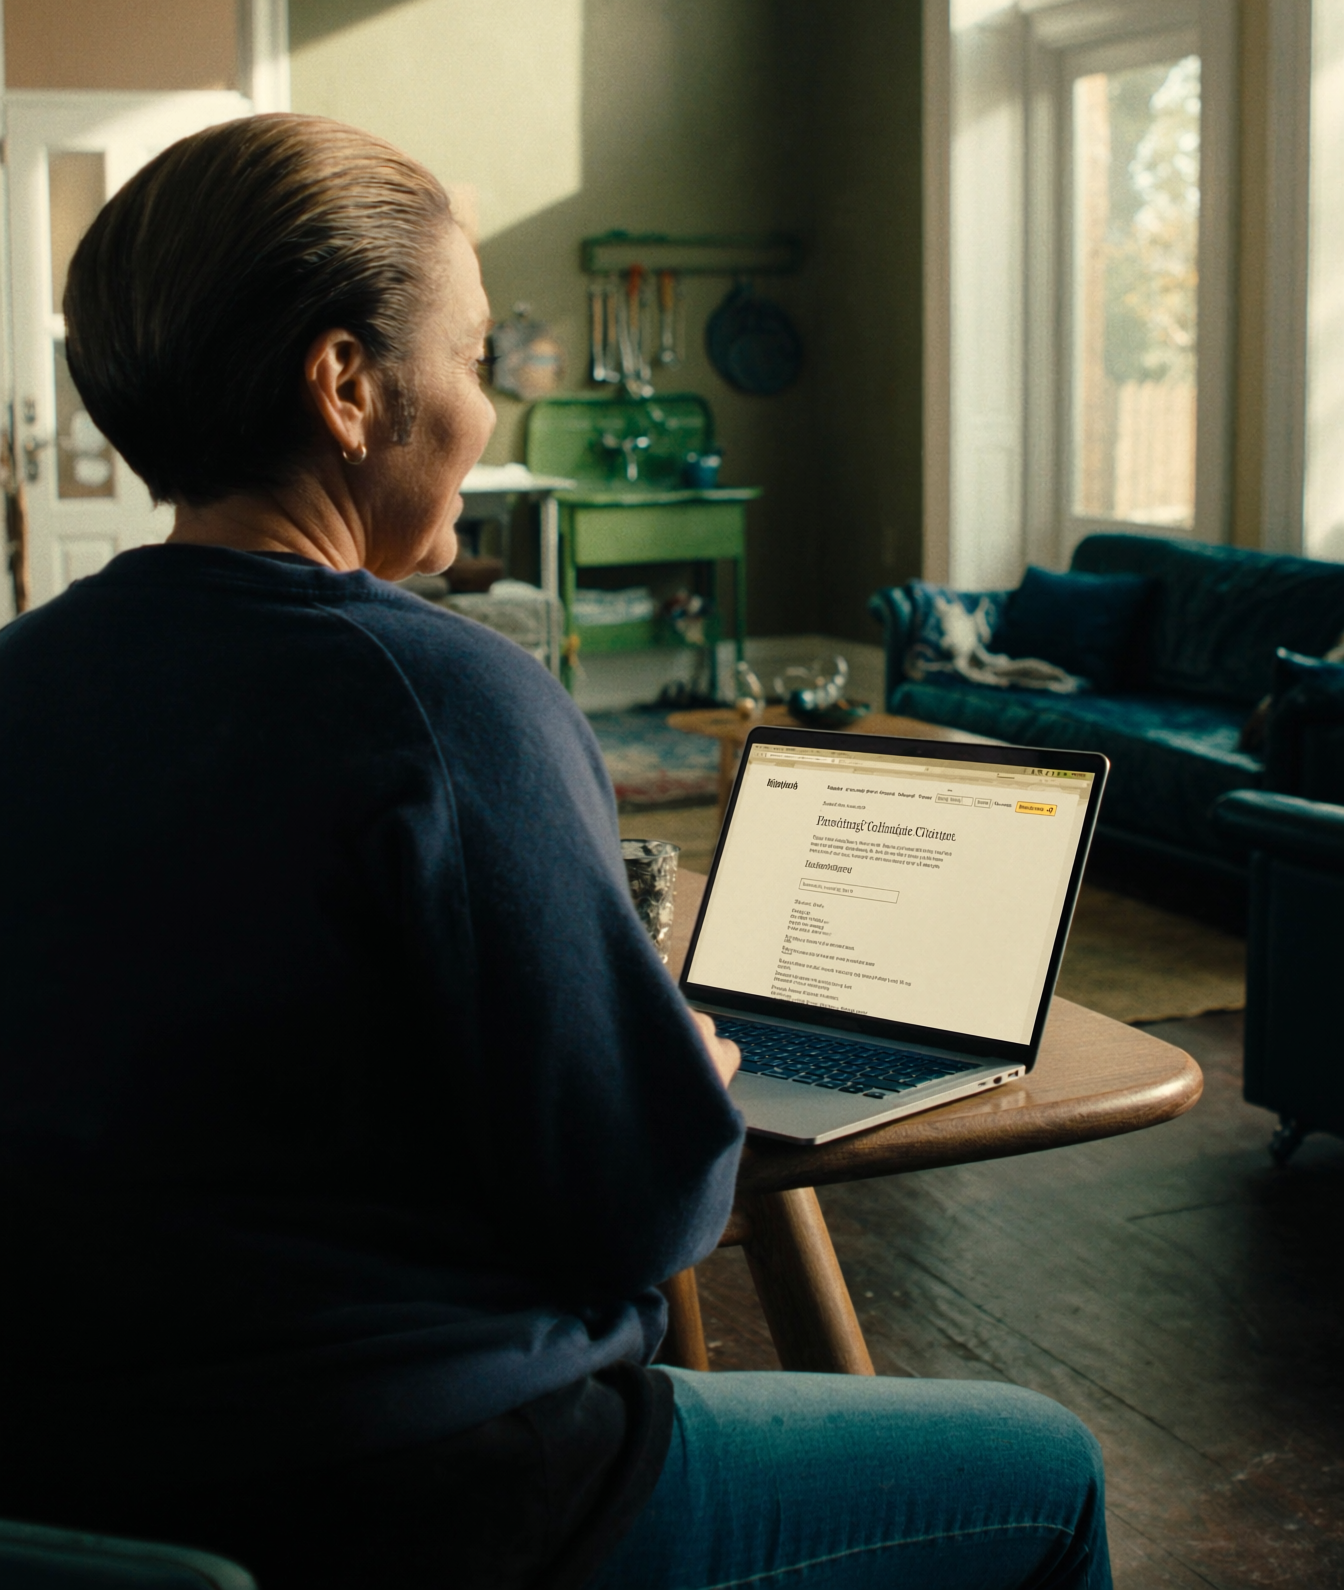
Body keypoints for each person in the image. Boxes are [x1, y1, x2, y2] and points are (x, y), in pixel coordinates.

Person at [0, 114, 1112, 1590]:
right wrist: (690, 1077)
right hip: (424, 1505)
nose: (489, 418)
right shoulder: (447, 702)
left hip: (67, 1495)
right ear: (346, 385)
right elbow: (642, 1212)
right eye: (468, 364)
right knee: (1048, 1473)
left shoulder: (21, 678)